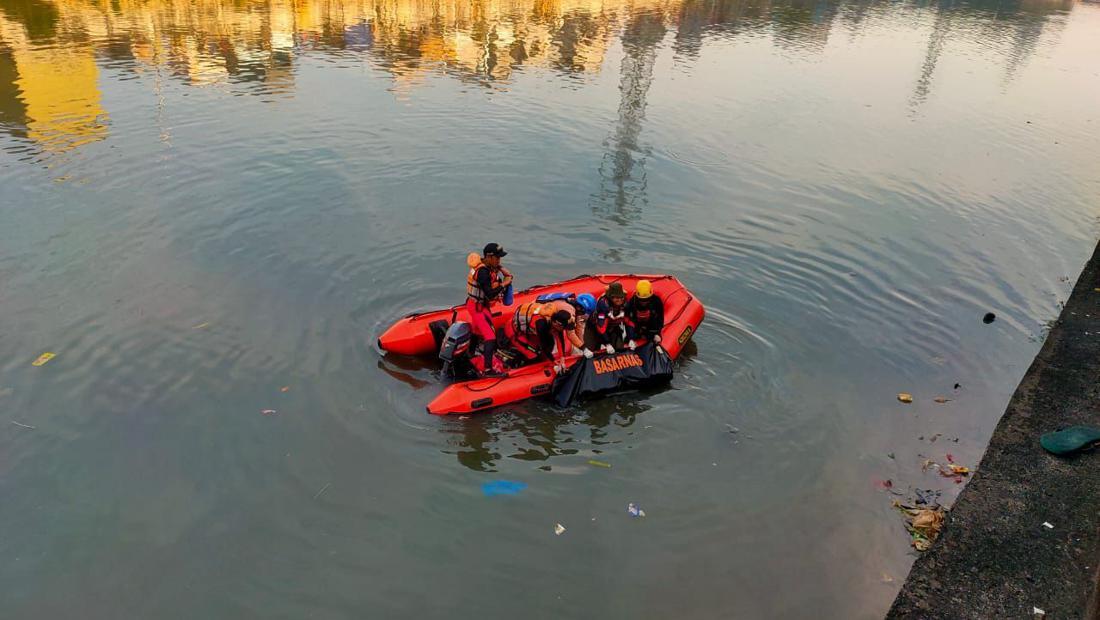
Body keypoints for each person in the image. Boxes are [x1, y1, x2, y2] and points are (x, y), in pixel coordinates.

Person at [465, 243, 512, 377]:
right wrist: (505, 283)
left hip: (478, 305)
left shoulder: (486, 265)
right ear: (489, 257)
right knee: (490, 336)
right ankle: (488, 370)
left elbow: (495, 272)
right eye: (497, 258)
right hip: (477, 307)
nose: (499, 260)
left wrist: (502, 269)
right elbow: (490, 294)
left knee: (475, 330)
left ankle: (470, 353)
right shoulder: (483, 273)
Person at [506, 302, 577, 373]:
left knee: (550, 344)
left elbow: (560, 340)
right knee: (533, 355)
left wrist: (562, 358)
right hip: (514, 332)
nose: (565, 329)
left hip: (530, 330)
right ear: (557, 324)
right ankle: (517, 363)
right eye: (564, 327)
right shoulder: (541, 325)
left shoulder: (555, 320)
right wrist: (553, 361)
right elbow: (544, 346)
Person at [587, 282, 634, 353]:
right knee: (591, 351)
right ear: (611, 298)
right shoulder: (603, 305)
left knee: (619, 349)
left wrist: (631, 338)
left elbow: (629, 323)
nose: (619, 300)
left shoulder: (626, 304)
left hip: (613, 327)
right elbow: (601, 327)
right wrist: (607, 344)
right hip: (595, 328)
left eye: (621, 297)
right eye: (616, 298)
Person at [626, 279, 664, 344]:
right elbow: (628, 320)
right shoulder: (632, 302)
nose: (644, 302)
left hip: (651, 327)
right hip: (637, 327)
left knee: (657, 340)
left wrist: (657, 333)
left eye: (646, 299)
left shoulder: (657, 301)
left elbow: (660, 319)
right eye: (641, 300)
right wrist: (631, 338)